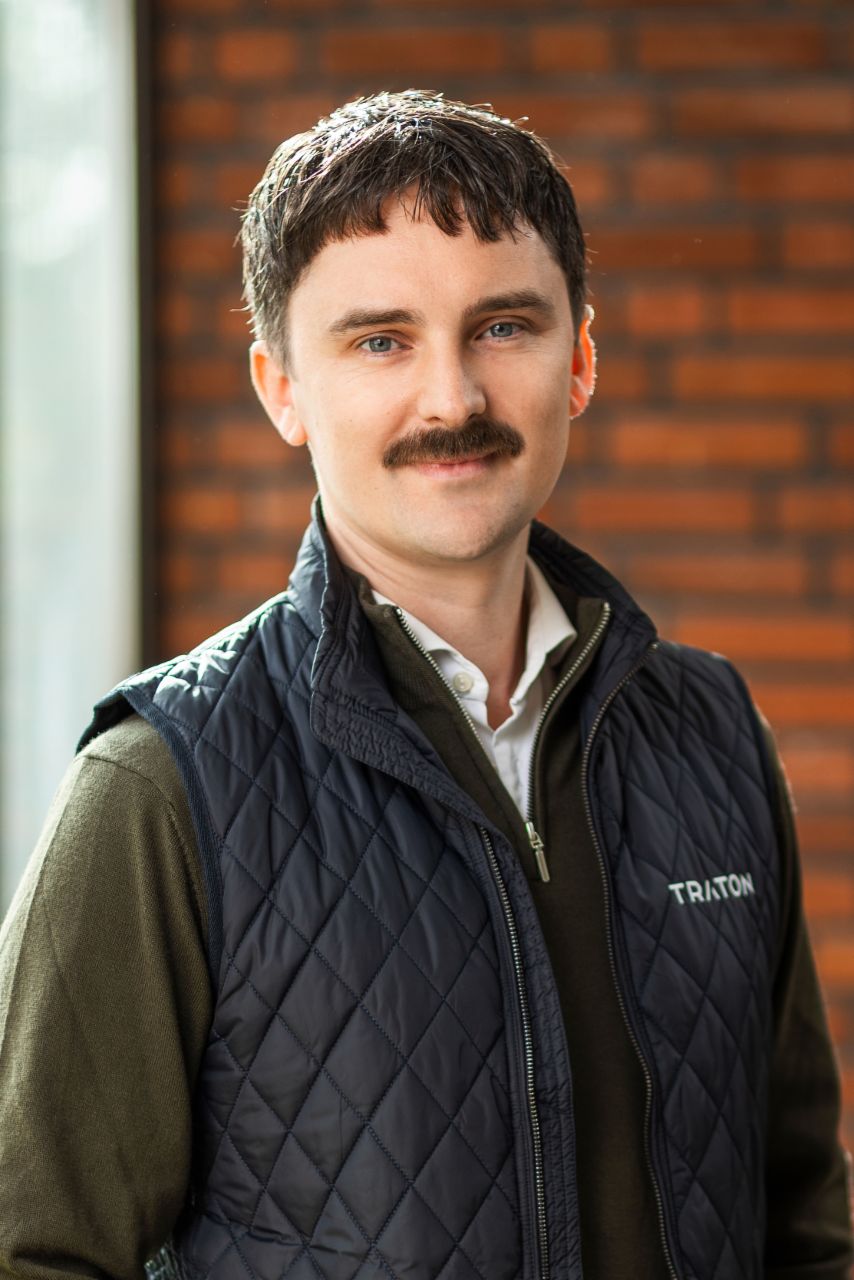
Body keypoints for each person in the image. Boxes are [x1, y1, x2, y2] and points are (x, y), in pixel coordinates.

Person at [0, 90, 850, 1280]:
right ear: (280, 385)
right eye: (380, 341)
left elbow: (800, 1212)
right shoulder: (156, 784)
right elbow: (39, 1252)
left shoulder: (710, 732)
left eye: (502, 326)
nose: (451, 399)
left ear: (581, 356)